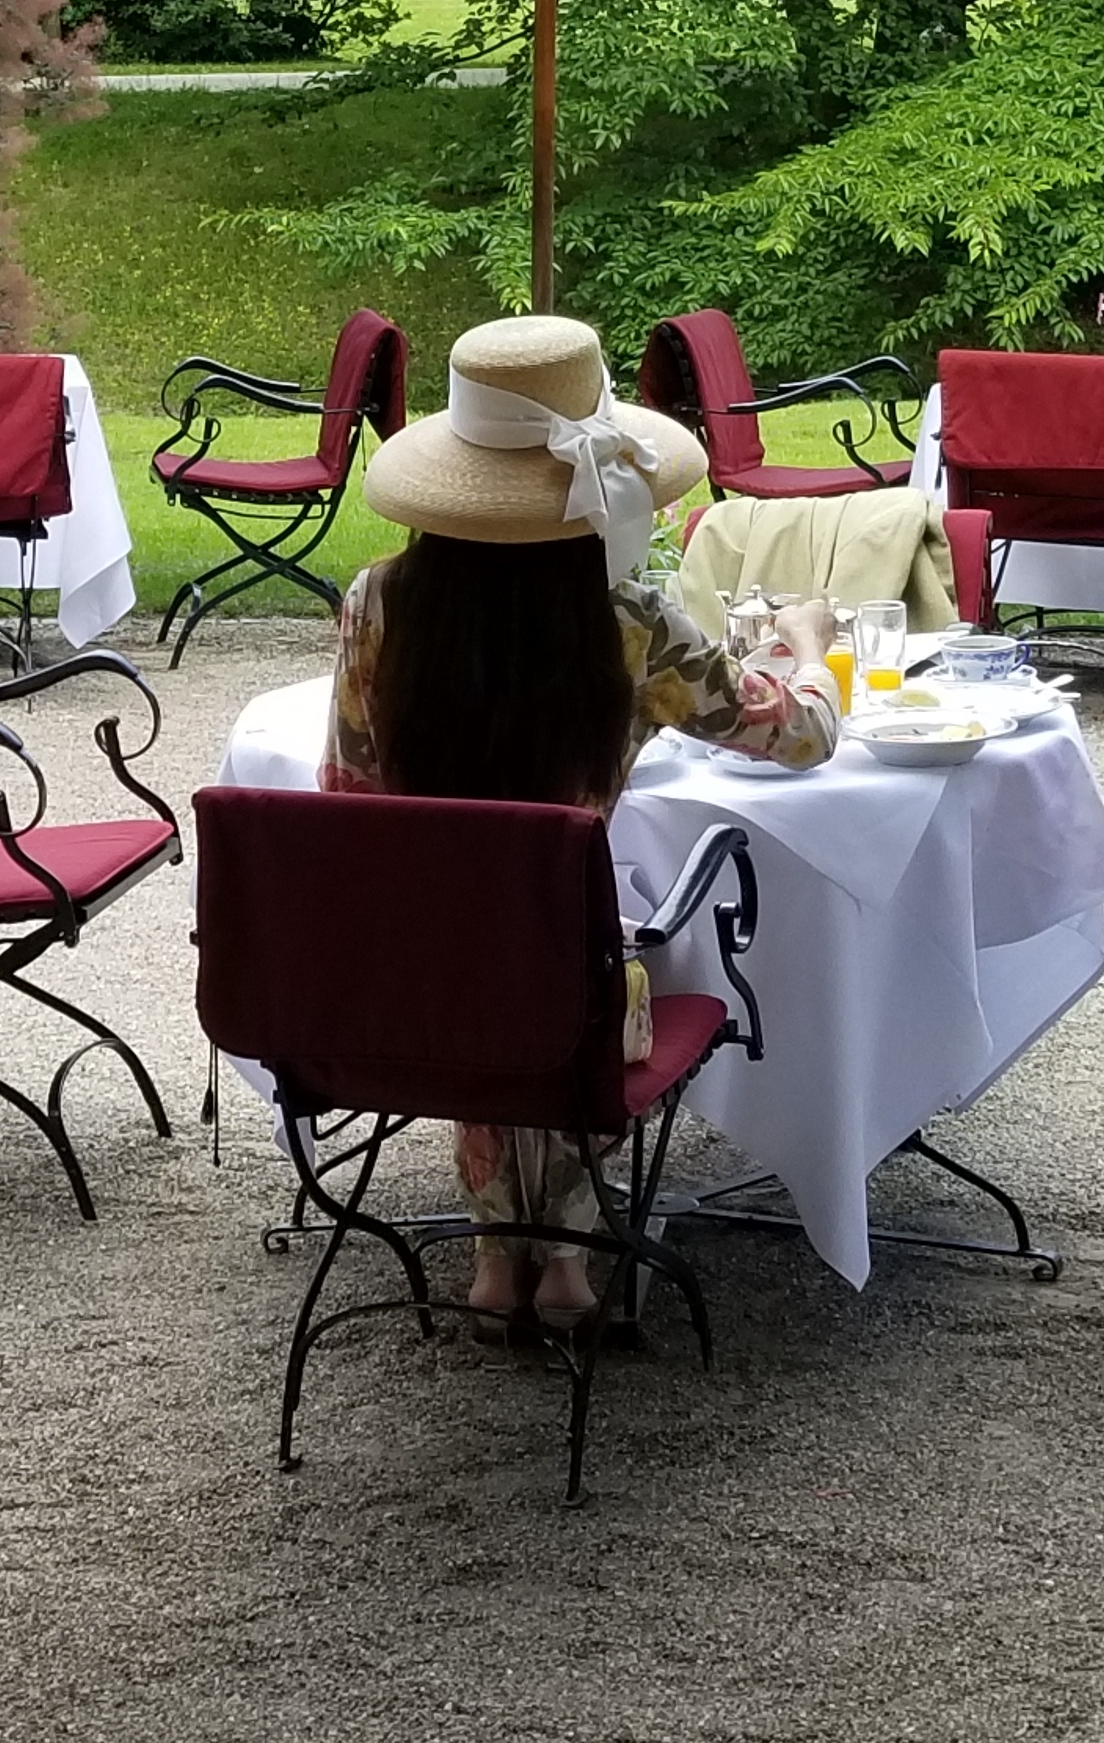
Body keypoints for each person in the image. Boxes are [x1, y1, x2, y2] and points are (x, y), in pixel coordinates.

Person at [323, 316, 838, 1330]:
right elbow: (800, 735)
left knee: (479, 940)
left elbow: (349, 793)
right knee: (581, 952)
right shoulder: (629, 620)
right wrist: (807, 647)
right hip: (575, 979)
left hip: (411, 982)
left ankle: (496, 1254)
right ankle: (565, 1259)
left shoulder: (377, 600)